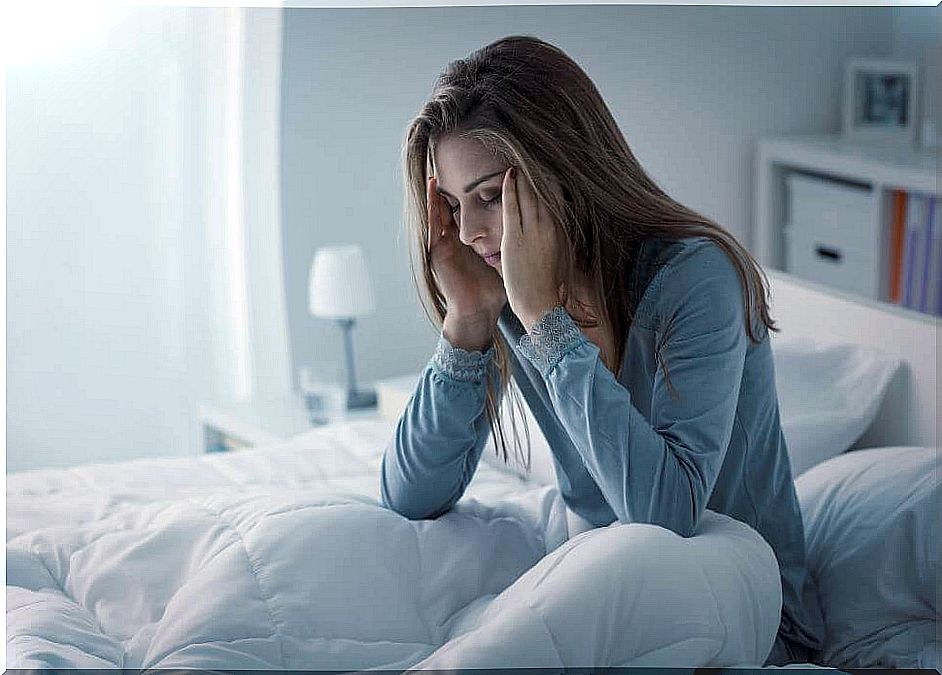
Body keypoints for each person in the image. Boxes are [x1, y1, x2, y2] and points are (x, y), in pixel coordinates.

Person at [380, 34, 825, 667]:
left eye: (490, 196)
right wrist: (468, 320)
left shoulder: (696, 278)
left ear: (560, 170)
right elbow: (409, 495)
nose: (473, 231)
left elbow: (665, 516)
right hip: (610, 587)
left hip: (747, 613)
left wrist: (547, 326)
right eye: (453, 206)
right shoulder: (506, 286)